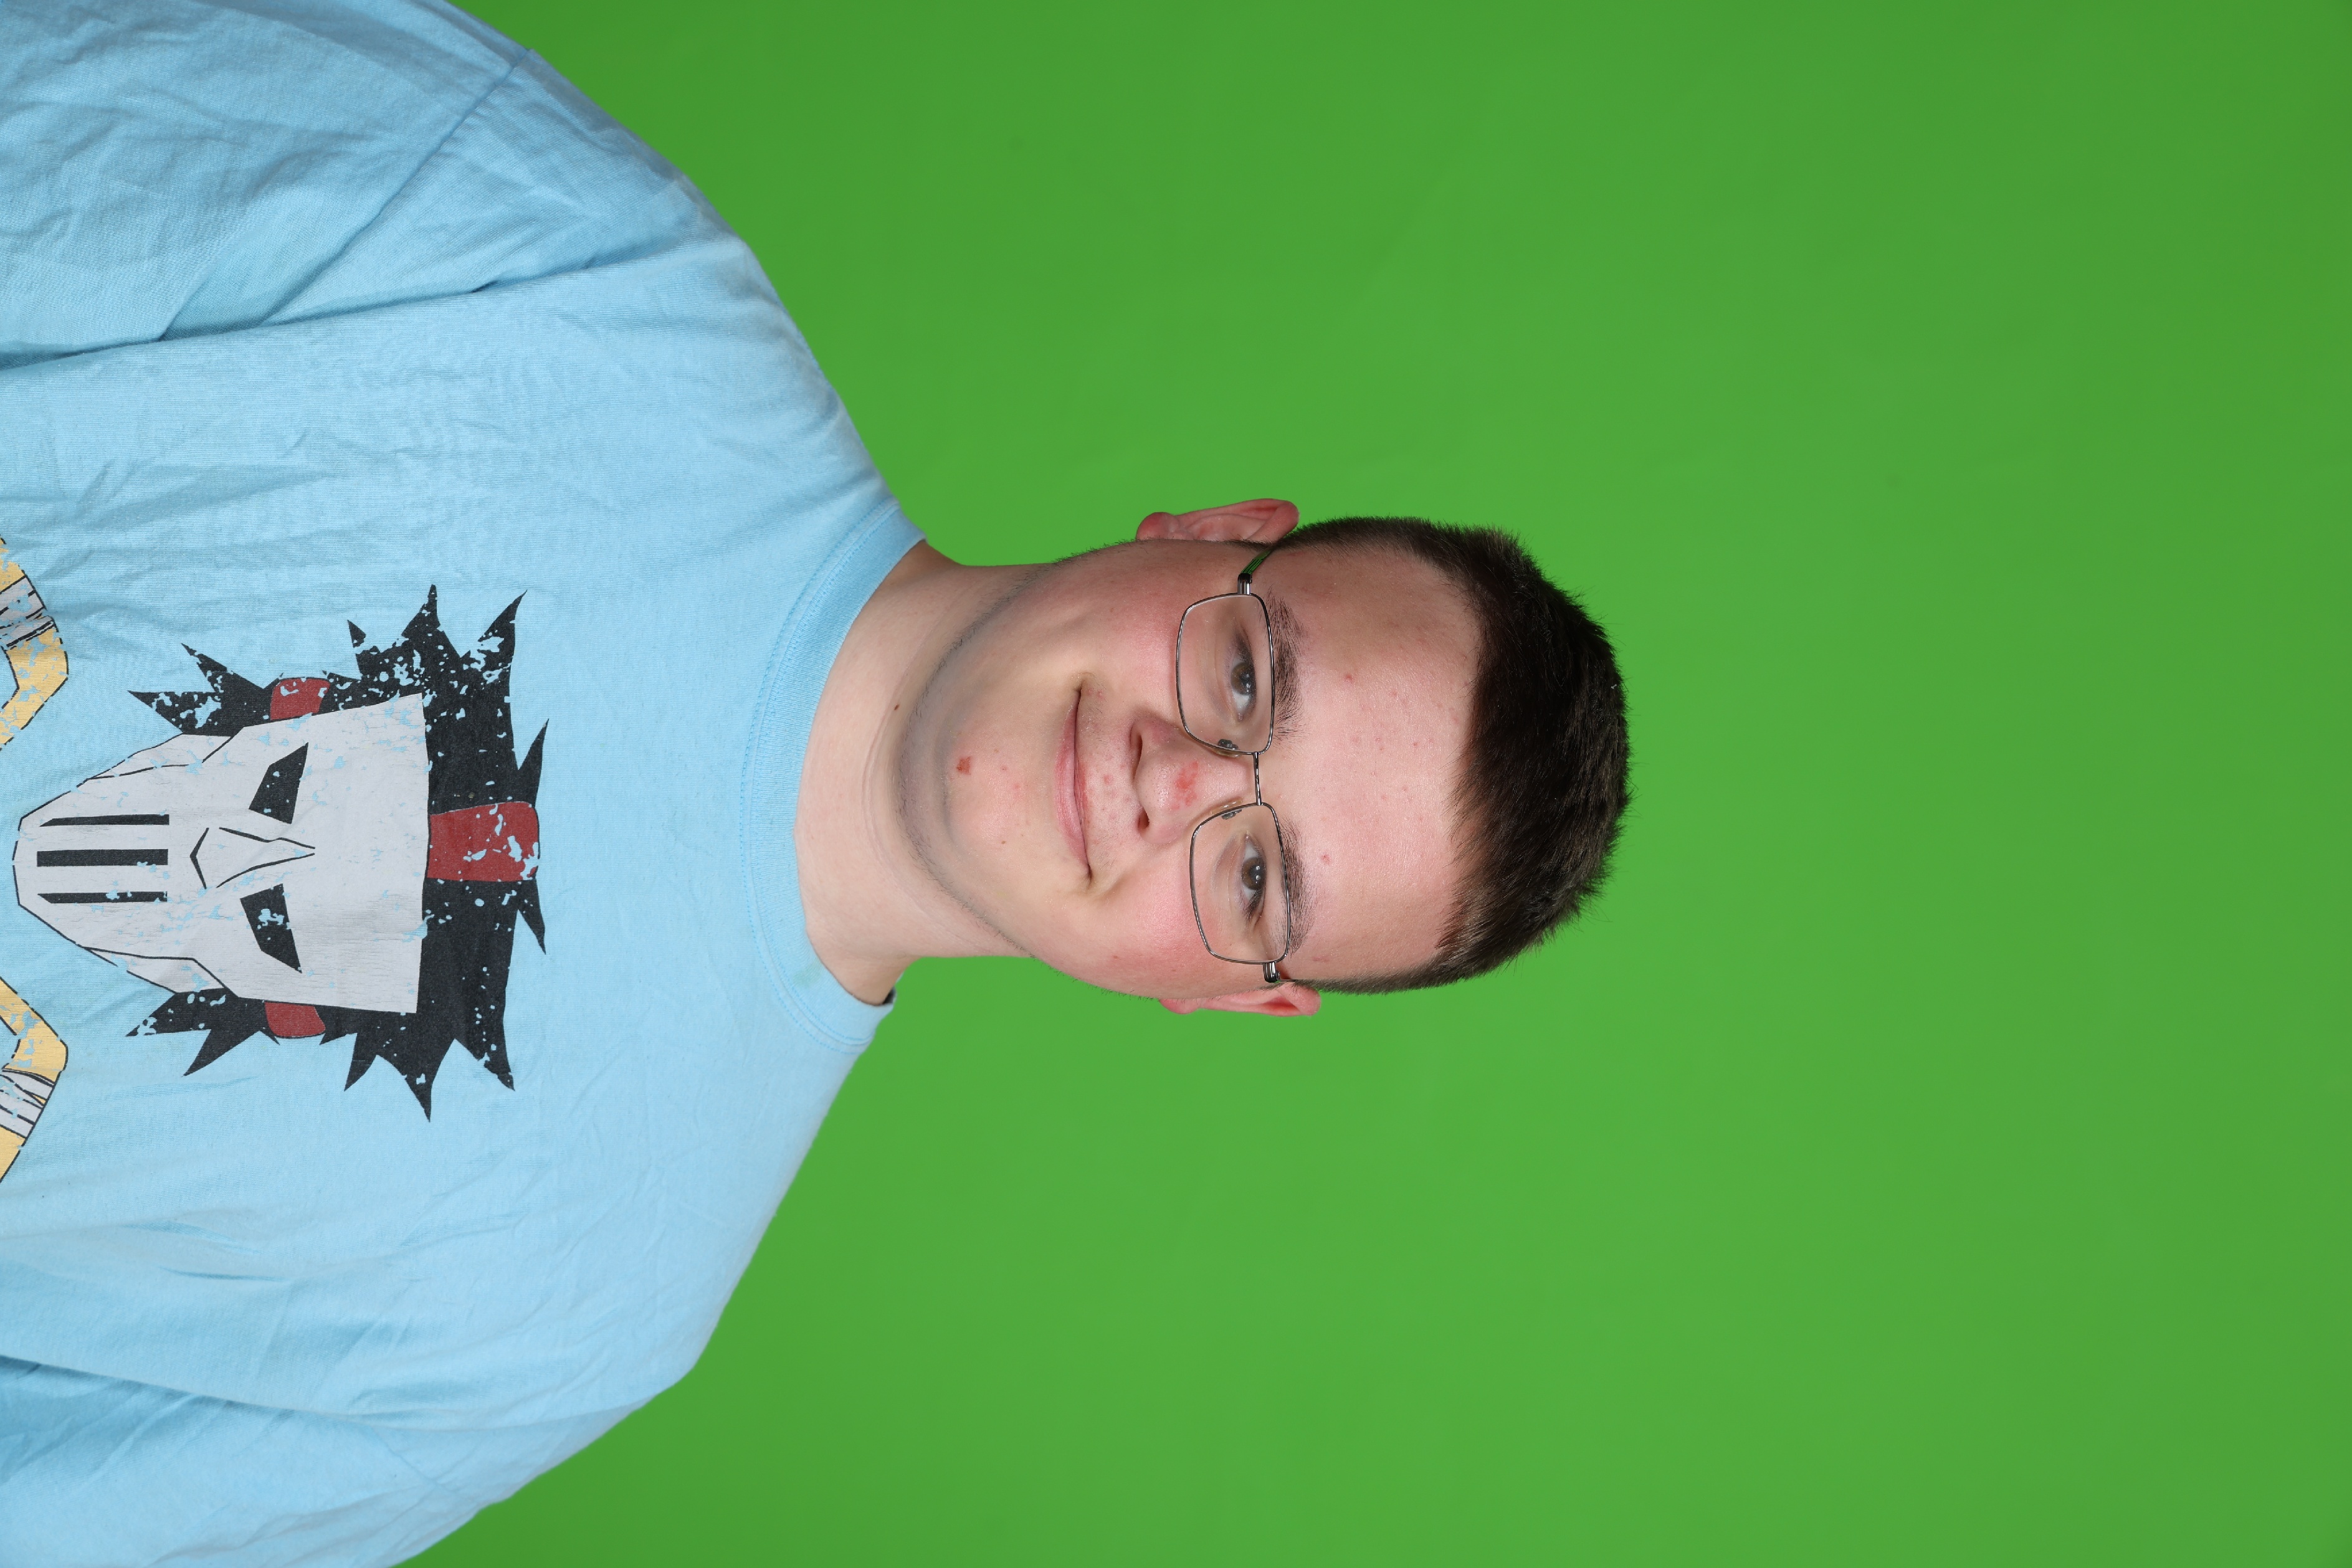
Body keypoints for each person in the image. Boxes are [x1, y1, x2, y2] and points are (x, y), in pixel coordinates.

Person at [0, 0, 1628, 1562]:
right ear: (1214, 532)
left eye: (1258, 876)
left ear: (1221, 994)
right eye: (1250, 678)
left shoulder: (577, 1323)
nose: (1180, 781)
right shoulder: (559, 258)